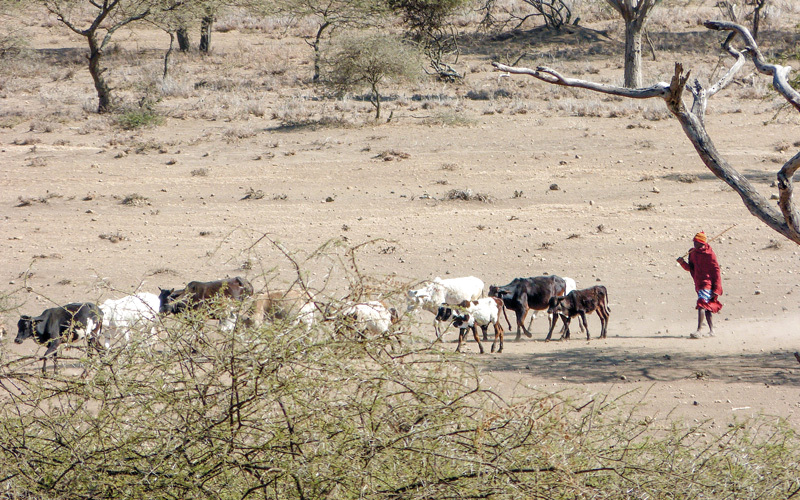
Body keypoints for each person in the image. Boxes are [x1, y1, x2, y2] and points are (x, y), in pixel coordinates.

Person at [677, 231, 722, 339]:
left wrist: (717, 288)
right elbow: (690, 268)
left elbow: (716, 271)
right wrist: (682, 262)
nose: (695, 245)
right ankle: (712, 331)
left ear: (703, 243)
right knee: (706, 307)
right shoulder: (693, 253)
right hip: (698, 283)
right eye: (694, 243)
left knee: (701, 304)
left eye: (697, 243)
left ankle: (699, 331)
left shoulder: (709, 254)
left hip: (707, 283)